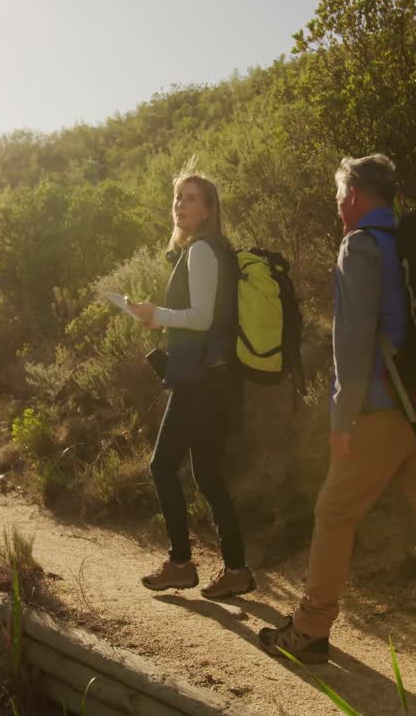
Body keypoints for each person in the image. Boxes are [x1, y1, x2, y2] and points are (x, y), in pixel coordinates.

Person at [257, 154, 416, 689]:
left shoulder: (361, 245)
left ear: (355, 196)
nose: (338, 205)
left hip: (384, 413)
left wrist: (341, 418)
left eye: (340, 194)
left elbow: (353, 341)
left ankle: (311, 631)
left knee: (334, 514)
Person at [127, 169, 255, 600]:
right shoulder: (209, 250)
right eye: (178, 197)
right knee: (209, 476)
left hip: (200, 382)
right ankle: (236, 569)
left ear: (208, 210)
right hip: (217, 379)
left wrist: (156, 314)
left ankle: (181, 563)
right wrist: (158, 316)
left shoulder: (200, 251)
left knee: (163, 466)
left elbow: (201, 317)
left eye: (191, 198)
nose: (180, 204)